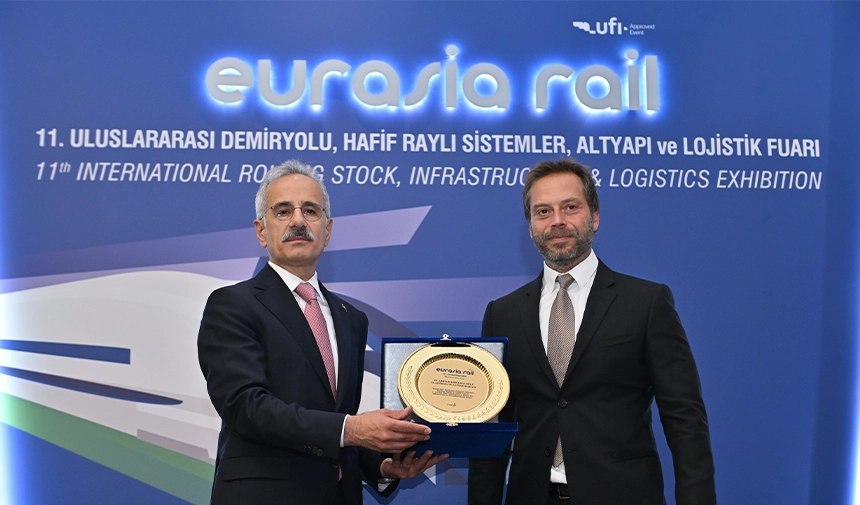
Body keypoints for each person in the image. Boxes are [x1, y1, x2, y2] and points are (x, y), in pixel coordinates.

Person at [468, 159, 716, 505]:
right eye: (543, 211)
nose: (557, 221)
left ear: (595, 216)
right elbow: (492, 430)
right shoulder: (502, 314)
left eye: (570, 207)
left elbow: (684, 419)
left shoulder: (645, 303)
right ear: (531, 227)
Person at [198, 160, 446, 505]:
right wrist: (352, 429)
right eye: (283, 211)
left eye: (310, 210)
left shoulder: (351, 319)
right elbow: (245, 407)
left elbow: (335, 423)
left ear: (327, 230)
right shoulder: (232, 305)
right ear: (261, 230)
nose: (298, 221)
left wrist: (383, 466)